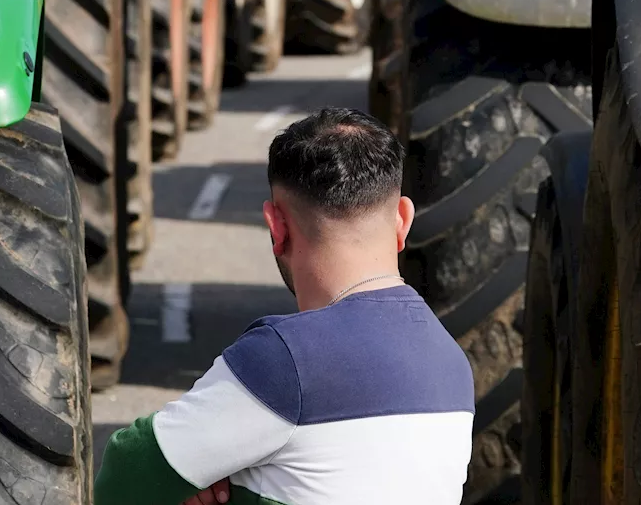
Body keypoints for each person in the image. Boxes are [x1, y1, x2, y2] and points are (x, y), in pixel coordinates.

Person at [95, 107, 475, 505]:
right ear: (402, 220)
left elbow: (125, 474)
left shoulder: (284, 360)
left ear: (277, 227)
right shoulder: (451, 363)